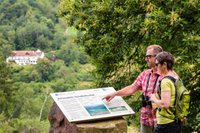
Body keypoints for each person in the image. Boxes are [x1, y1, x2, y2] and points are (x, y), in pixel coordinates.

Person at [103, 45, 163, 133]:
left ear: (157, 57)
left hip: (160, 120)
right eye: (146, 56)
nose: (146, 59)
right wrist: (115, 93)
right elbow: (132, 88)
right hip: (145, 119)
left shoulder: (166, 76)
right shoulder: (145, 74)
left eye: (148, 56)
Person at [150, 51, 181, 133]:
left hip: (165, 124)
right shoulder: (176, 77)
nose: (156, 67)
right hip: (175, 121)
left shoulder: (166, 81)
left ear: (164, 64)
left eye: (157, 64)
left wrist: (154, 99)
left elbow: (165, 104)